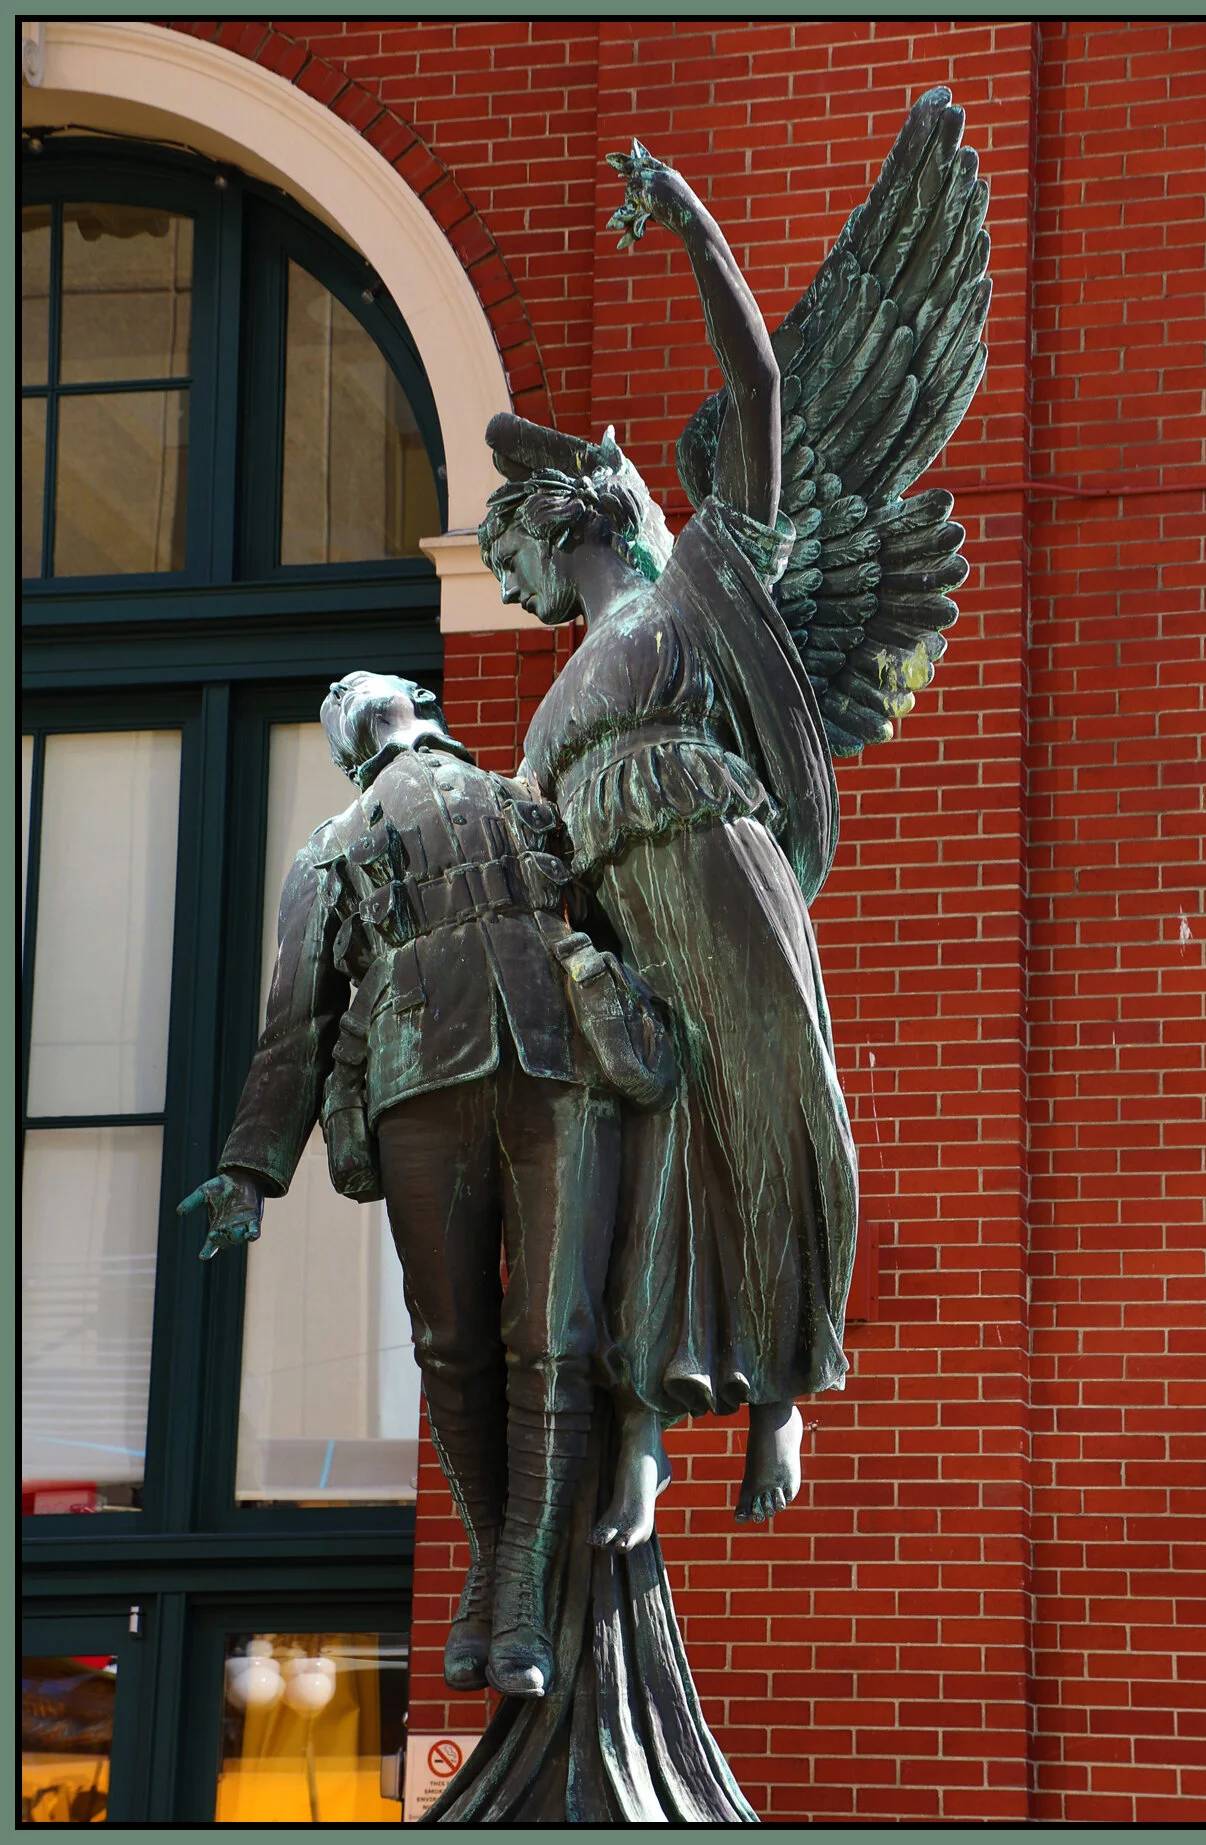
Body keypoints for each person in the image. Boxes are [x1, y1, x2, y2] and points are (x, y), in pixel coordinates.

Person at [479, 145, 860, 1549]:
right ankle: (641, 1419)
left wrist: (695, 218)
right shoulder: (547, 715)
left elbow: (759, 389)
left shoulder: (697, 583)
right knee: (639, 1161)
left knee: (770, 1096)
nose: (505, 552)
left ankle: (784, 1385)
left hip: (712, 855)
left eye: (512, 524)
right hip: (621, 925)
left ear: (568, 515)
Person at [178, 671, 673, 1700]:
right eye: (337, 705)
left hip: (560, 1065)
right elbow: (297, 1023)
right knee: (449, 1338)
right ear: (345, 751)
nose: (355, 698)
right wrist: (246, 1168)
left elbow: (645, 915)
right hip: (417, 1087)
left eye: (368, 692)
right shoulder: (328, 848)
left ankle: (526, 1595)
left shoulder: (538, 794)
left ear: (416, 701)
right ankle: (493, 1558)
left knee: (556, 1335)